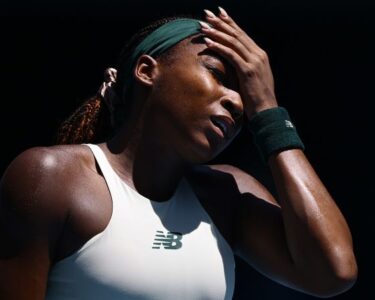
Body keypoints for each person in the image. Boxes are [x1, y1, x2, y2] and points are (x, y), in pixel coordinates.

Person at [0, 7, 357, 300]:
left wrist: (268, 111)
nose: (237, 101)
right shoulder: (52, 178)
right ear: (146, 71)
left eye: (246, 95)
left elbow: (333, 272)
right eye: (217, 74)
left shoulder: (226, 195)